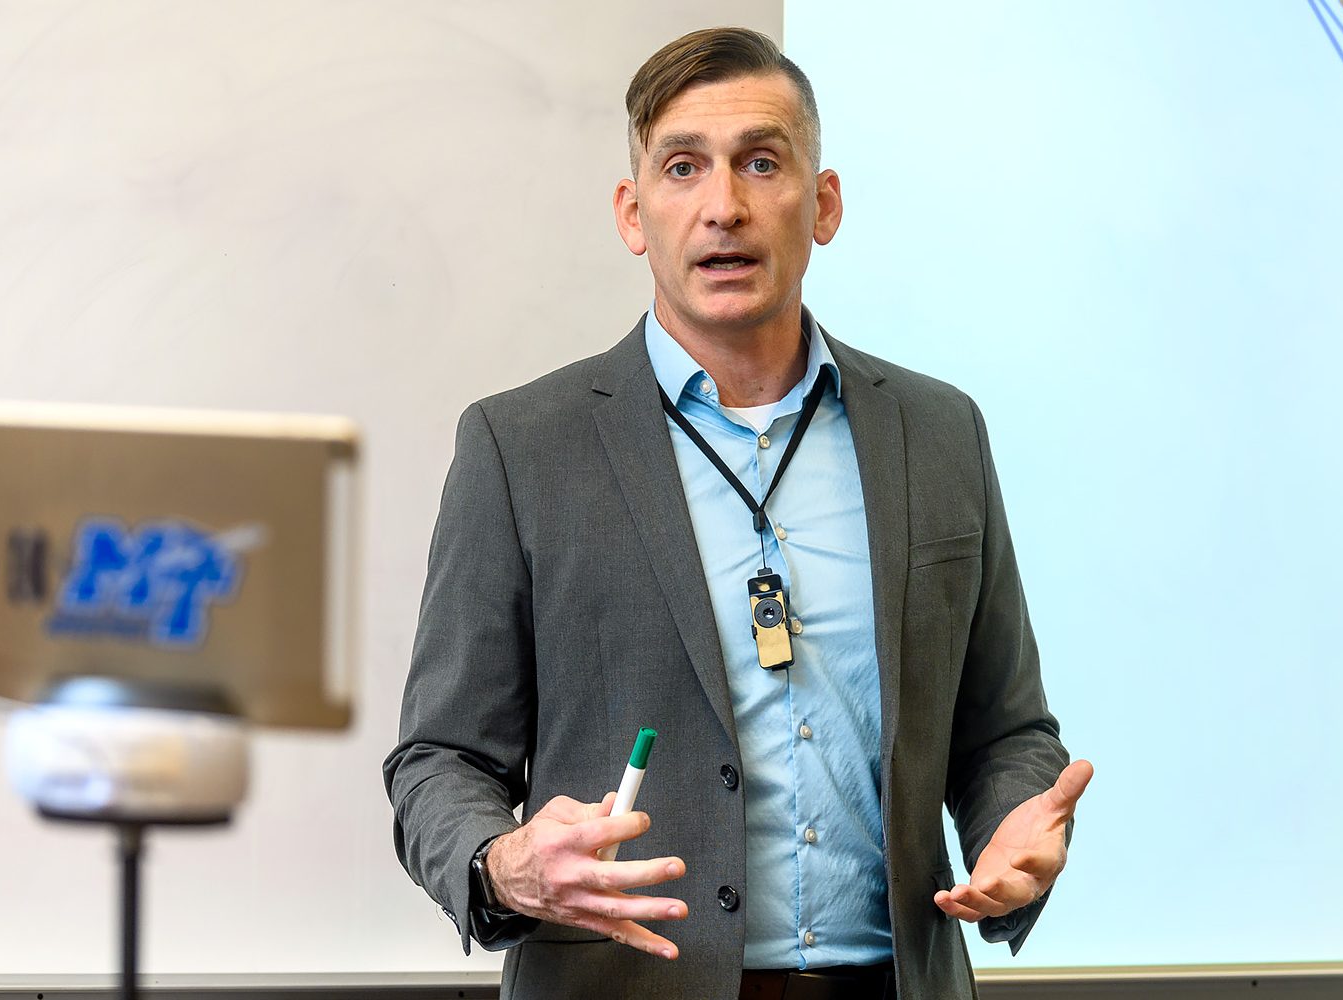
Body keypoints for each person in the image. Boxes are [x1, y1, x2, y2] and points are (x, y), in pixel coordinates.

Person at [383, 26, 1092, 1000]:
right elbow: (439, 759)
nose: (724, 207)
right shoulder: (521, 448)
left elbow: (1004, 733)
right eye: (684, 168)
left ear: (823, 203)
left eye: (762, 162)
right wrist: (503, 863)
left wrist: (1012, 821)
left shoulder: (938, 433)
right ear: (633, 213)